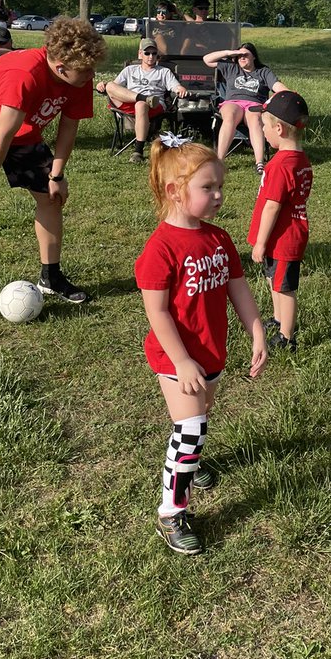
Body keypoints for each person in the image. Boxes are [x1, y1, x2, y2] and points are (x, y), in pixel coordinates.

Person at [135, 135, 267, 555]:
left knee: (201, 416)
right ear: (175, 191)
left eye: (220, 186)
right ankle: (171, 512)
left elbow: (237, 287)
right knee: (190, 427)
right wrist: (181, 360)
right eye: (207, 187)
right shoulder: (160, 249)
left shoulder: (218, 239)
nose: (218, 195)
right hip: (176, 356)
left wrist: (256, 328)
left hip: (211, 350)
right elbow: (157, 312)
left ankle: (190, 464)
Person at [0, 16, 106, 329]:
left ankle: (51, 277)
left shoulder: (79, 78)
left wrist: (56, 175)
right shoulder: (26, 74)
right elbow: (2, 134)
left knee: (51, 197)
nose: (92, 75)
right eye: (86, 70)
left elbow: (69, 126)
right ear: (61, 67)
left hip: (23, 132)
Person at [248, 91, 313, 354]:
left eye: (264, 125)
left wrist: (260, 243)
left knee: (285, 288)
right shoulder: (300, 159)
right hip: (282, 236)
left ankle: (287, 337)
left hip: (282, 238)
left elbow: (272, 206)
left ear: (279, 129)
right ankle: (278, 319)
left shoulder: (281, 165)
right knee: (274, 280)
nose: (262, 131)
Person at [98, 40, 190, 163]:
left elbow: (175, 86)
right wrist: (102, 85)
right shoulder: (130, 70)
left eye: (154, 53)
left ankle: (138, 151)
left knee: (141, 105)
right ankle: (143, 98)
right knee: (110, 86)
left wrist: (181, 89)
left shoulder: (164, 71)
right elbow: (114, 87)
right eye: (147, 53)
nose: (151, 56)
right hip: (132, 102)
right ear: (140, 54)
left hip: (154, 105)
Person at [203, 42, 290, 174]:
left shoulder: (263, 71)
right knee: (230, 117)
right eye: (239, 56)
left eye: (245, 55)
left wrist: (289, 93)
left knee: (255, 119)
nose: (242, 57)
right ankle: (219, 161)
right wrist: (230, 53)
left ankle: (259, 163)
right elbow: (207, 59)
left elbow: (277, 86)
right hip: (233, 102)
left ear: (254, 56)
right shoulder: (231, 67)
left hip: (255, 104)